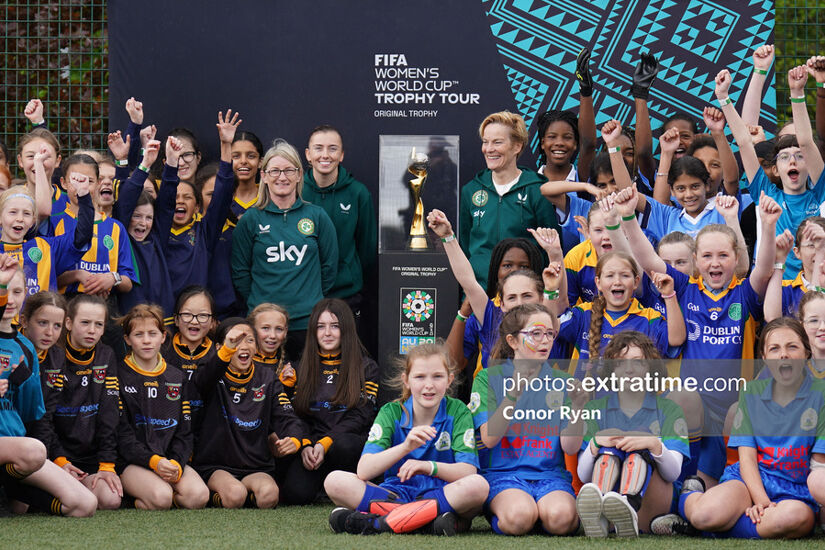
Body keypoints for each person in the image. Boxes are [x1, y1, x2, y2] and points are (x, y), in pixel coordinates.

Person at [606, 184, 778, 486]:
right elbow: (648, 262)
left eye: (723, 255)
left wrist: (767, 225)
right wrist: (629, 217)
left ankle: (718, 487)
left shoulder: (743, 295)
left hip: (733, 403)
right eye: (707, 256)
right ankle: (681, 487)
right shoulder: (685, 289)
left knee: (712, 487)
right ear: (696, 261)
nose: (715, 263)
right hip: (695, 404)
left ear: (735, 259)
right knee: (682, 398)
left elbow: (763, 269)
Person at [656, 318, 823, 539]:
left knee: (796, 518)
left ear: (806, 352)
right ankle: (688, 497)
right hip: (749, 481)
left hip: (796, 492)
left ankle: (708, 529)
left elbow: (819, 466)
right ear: (764, 358)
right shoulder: (751, 392)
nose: (784, 355)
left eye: (792, 346)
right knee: (705, 514)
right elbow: (746, 460)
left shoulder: (820, 395)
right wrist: (761, 501)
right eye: (774, 349)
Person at [325, 342, 488, 536]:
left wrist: (429, 466)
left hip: (443, 492)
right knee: (334, 481)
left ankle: (378, 523)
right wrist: (405, 447)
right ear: (407, 380)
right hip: (396, 494)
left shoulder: (459, 411)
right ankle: (426, 522)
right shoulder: (391, 412)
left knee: (478, 486)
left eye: (437, 376)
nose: (429, 385)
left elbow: (468, 471)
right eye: (420, 377)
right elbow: (364, 470)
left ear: (449, 379)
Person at [470, 303, 588, 535]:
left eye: (550, 334)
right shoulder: (487, 378)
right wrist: (513, 393)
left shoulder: (563, 382)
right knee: (519, 518)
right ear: (513, 341)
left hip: (550, 475)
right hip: (502, 475)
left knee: (561, 520)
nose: (545, 341)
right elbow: (490, 439)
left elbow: (570, 447)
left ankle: (541, 514)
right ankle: (513, 513)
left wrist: (577, 407)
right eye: (535, 333)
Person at [0, 258, 97, 517]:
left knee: (85, 504)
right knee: (33, 451)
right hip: (23, 452)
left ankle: (10, 490)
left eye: (17, 291)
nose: (10, 298)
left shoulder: (27, 349)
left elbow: (32, 413)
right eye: (3, 289)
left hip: (17, 453)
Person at [231, 139, 338, 360]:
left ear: (299, 175)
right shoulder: (251, 219)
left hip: (308, 322)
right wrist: (262, 303)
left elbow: (329, 268)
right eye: (275, 171)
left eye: (289, 170)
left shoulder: (317, 216)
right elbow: (240, 272)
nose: (282, 177)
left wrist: (309, 298)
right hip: (264, 326)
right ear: (264, 175)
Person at [575, 332, 689, 537]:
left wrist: (655, 445)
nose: (628, 370)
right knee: (608, 452)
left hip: (654, 499)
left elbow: (673, 474)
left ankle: (627, 507)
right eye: (620, 363)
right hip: (607, 494)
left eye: (637, 362)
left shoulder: (669, 410)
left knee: (638, 453)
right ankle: (600, 518)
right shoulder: (595, 408)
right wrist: (594, 444)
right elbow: (583, 476)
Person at [192, 318, 300, 509]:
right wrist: (227, 349)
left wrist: (294, 438)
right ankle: (218, 494)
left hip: (255, 465)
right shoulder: (209, 372)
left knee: (269, 496)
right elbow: (202, 381)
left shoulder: (267, 377)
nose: (243, 346)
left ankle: (243, 494)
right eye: (235, 341)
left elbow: (286, 415)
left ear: (256, 347)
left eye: (249, 340)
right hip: (216, 465)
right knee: (235, 496)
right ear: (220, 347)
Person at [278, 299, 378, 504]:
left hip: (347, 444)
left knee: (343, 445)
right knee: (295, 494)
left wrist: (326, 442)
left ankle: (350, 485)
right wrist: (305, 444)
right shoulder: (298, 367)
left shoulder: (367, 367)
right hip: (313, 447)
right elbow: (295, 415)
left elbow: (363, 416)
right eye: (320, 326)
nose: (327, 333)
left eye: (335, 326)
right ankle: (324, 488)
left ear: (347, 329)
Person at [31, 294, 122, 510]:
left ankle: (79, 488)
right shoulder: (54, 355)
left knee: (111, 500)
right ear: (69, 324)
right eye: (85, 322)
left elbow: (109, 413)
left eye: (98, 324)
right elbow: (43, 418)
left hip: (90, 457)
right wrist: (60, 460)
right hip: (57, 455)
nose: (92, 330)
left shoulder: (106, 355)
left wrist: (107, 464)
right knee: (20, 507)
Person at [116, 303, 209, 510]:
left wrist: (175, 462)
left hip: (168, 460)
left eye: (152, 333)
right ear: (127, 340)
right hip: (133, 462)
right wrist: (153, 461)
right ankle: (137, 496)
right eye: (139, 334)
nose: (147, 340)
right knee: (161, 498)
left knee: (199, 496)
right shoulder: (119, 375)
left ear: (163, 336)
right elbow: (122, 436)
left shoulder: (176, 376)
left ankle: (159, 491)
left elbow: (185, 433)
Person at [458, 111, 559, 289]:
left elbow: (551, 249)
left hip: (523, 294)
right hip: (479, 293)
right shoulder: (470, 190)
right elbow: (464, 249)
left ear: (517, 147)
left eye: (497, 142)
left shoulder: (537, 189)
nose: (489, 149)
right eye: (485, 142)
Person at [302, 125, 377, 330]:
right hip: (303, 292)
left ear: (342, 155)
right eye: (318, 148)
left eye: (332, 149)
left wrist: (349, 274)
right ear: (308, 155)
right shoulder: (295, 190)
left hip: (346, 293)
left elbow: (367, 248)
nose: (325, 155)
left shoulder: (358, 193)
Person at [555, 250, 684, 366]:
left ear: (636, 282)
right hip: (585, 393)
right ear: (598, 283)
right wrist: (550, 290)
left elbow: (676, 340)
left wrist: (669, 295)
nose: (617, 281)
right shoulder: (584, 313)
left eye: (625, 275)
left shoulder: (649, 318)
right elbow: (549, 327)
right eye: (610, 276)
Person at [161, 111, 238, 298]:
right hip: (166, 316)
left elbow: (221, 197)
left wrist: (226, 145)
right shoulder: (158, 231)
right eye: (176, 197)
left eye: (187, 197)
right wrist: (171, 163)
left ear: (197, 207)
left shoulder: (204, 233)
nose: (179, 200)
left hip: (197, 312)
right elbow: (165, 195)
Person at [47, 153, 136, 299]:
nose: (82, 186)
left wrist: (112, 278)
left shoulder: (116, 228)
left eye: (89, 181)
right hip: (64, 303)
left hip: (104, 305)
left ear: (99, 183)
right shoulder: (53, 222)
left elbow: (128, 282)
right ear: (63, 183)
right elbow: (44, 276)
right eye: (75, 180)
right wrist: (76, 275)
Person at [110, 136, 179, 320]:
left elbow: (166, 205)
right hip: (130, 322)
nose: (143, 223)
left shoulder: (156, 237)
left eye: (148, 218)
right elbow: (125, 201)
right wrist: (145, 163)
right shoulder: (122, 237)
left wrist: (172, 163)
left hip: (162, 322)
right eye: (137, 216)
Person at [249, 303, 295, 395]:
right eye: (265, 328)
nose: (273, 336)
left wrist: (286, 387)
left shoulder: (288, 367)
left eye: (279, 329)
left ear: (285, 331)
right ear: (252, 329)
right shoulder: (240, 361)